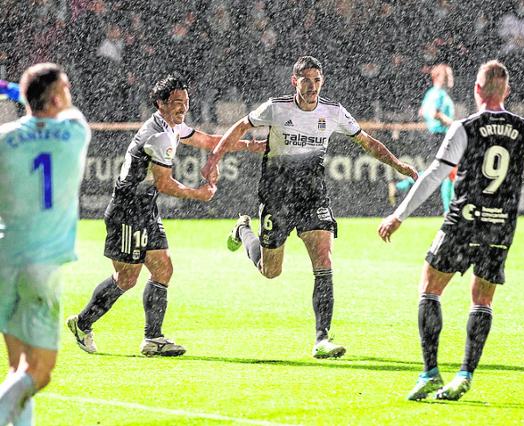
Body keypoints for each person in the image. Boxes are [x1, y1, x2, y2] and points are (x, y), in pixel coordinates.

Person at [378, 60, 524, 400]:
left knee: (430, 287)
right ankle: (465, 373)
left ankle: (430, 372)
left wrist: (399, 215)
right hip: (500, 226)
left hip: (464, 220)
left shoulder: (465, 127)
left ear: (476, 90)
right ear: (507, 91)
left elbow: (433, 176)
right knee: (482, 298)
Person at [202, 56, 419, 359]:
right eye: (306, 80)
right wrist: (214, 158)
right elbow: (240, 126)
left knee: (324, 260)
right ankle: (243, 229)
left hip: (312, 196)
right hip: (277, 196)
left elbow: (366, 142)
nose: (312, 86)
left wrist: (397, 164)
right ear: (295, 81)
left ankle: (322, 338)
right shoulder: (276, 107)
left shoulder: (333, 112)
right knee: (270, 271)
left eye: (317, 80)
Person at [66, 74, 264, 357]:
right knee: (126, 278)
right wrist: (200, 193)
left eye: (185, 101)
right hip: (128, 210)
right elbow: (164, 183)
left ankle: (153, 339)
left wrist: (249, 146)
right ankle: (82, 324)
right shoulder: (158, 136)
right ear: (160, 103)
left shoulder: (172, 126)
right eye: (176, 102)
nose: (182, 107)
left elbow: (208, 140)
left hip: (145, 207)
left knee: (163, 269)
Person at [0, 63, 91, 425]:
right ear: (56, 97)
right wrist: (18, 93)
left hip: (6, 258)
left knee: (16, 366)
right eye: (66, 87)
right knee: (40, 371)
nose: (70, 93)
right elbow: (66, 112)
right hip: (44, 264)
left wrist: (21, 98)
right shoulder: (75, 132)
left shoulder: (4, 139)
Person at [388, 64, 457, 214]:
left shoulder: (432, 94)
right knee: (448, 171)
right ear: (438, 77)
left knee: (437, 172)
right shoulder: (438, 94)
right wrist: (454, 124)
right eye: (448, 75)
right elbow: (434, 113)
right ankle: (448, 211)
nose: (451, 78)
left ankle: (401, 186)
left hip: (436, 136)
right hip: (440, 135)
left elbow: (422, 111)